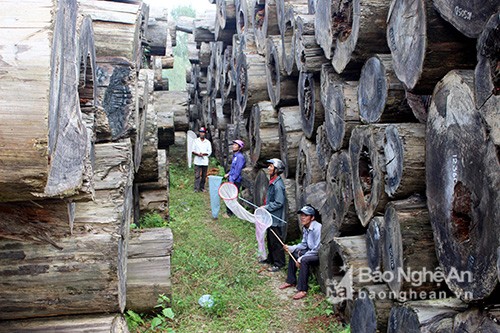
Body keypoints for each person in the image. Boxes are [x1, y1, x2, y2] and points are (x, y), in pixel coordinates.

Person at [279, 204, 321, 300]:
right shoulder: (305, 227)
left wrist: (301, 258)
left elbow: (317, 249)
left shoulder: (317, 228)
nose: (302, 217)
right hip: (310, 251)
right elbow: (304, 244)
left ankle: (303, 289)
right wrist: (290, 248)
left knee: (305, 260)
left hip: (318, 253)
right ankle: (291, 280)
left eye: (305, 215)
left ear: (312, 217)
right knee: (294, 253)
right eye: (301, 215)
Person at [261, 158, 287, 272]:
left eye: (271, 166)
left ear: (276, 169)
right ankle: (271, 259)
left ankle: (279, 263)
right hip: (270, 217)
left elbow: (279, 202)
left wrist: (266, 207)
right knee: (270, 239)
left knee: (276, 241)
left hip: (275, 218)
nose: (268, 168)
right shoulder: (273, 181)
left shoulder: (278, 185)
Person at [223, 140, 246, 217]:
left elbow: (238, 170)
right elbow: (233, 168)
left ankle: (230, 214)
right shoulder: (235, 156)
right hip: (231, 178)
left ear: (239, 148)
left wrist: (232, 179)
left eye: (236, 145)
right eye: (233, 144)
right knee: (229, 195)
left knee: (231, 197)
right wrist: (228, 174)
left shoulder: (240, 157)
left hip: (235, 180)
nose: (233, 146)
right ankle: (229, 212)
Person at [192, 127, 212, 192]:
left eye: (203, 132)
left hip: (204, 160)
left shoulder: (207, 142)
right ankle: (196, 188)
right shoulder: (195, 141)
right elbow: (192, 150)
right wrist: (198, 154)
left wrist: (203, 154)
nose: (201, 134)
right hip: (197, 160)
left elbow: (209, 151)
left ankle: (202, 187)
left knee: (204, 175)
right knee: (197, 175)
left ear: (205, 134)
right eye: (200, 132)